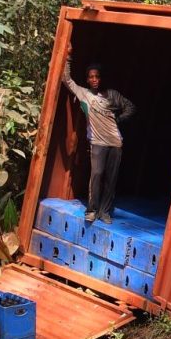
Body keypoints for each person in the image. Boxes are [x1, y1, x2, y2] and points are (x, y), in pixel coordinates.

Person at [62, 44, 135, 224]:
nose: (94, 80)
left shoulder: (112, 95)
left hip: (115, 143)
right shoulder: (84, 94)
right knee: (96, 175)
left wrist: (118, 119)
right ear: (87, 80)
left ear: (101, 78)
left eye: (97, 76)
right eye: (91, 77)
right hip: (97, 142)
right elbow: (66, 79)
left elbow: (130, 107)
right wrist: (68, 57)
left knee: (111, 179)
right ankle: (92, 210)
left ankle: (105, 212)